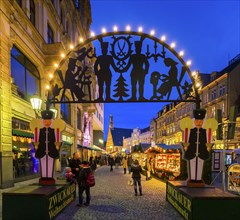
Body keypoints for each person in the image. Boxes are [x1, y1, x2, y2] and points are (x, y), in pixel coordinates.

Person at [184, 109, 209, 186]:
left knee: (200, 164)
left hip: (201, 151)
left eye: (201, 121)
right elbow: (187, 139)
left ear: (203, 122)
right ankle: (192, 178)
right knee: (192, 164)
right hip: (192, 151)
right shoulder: (191, 131)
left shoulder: (205, 131)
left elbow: (207, 139)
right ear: (194, 122)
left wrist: (208, 146)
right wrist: (186, 145)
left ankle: (198, 179)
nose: (199, 123)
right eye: (197, 121)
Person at [35, 110, 60, 185]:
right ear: (43, 121)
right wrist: (36, 145)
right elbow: (37, 139)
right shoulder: (40, 131)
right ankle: (43, 177)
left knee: (50, 164)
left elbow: (57, 140)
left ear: (51, 121)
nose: (47, 123)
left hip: (51, 150)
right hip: (42, 150)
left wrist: (57, 145)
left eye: (49, 121)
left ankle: (50, 177)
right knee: (42, 163)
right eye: (45, 121)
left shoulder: (54, 131)